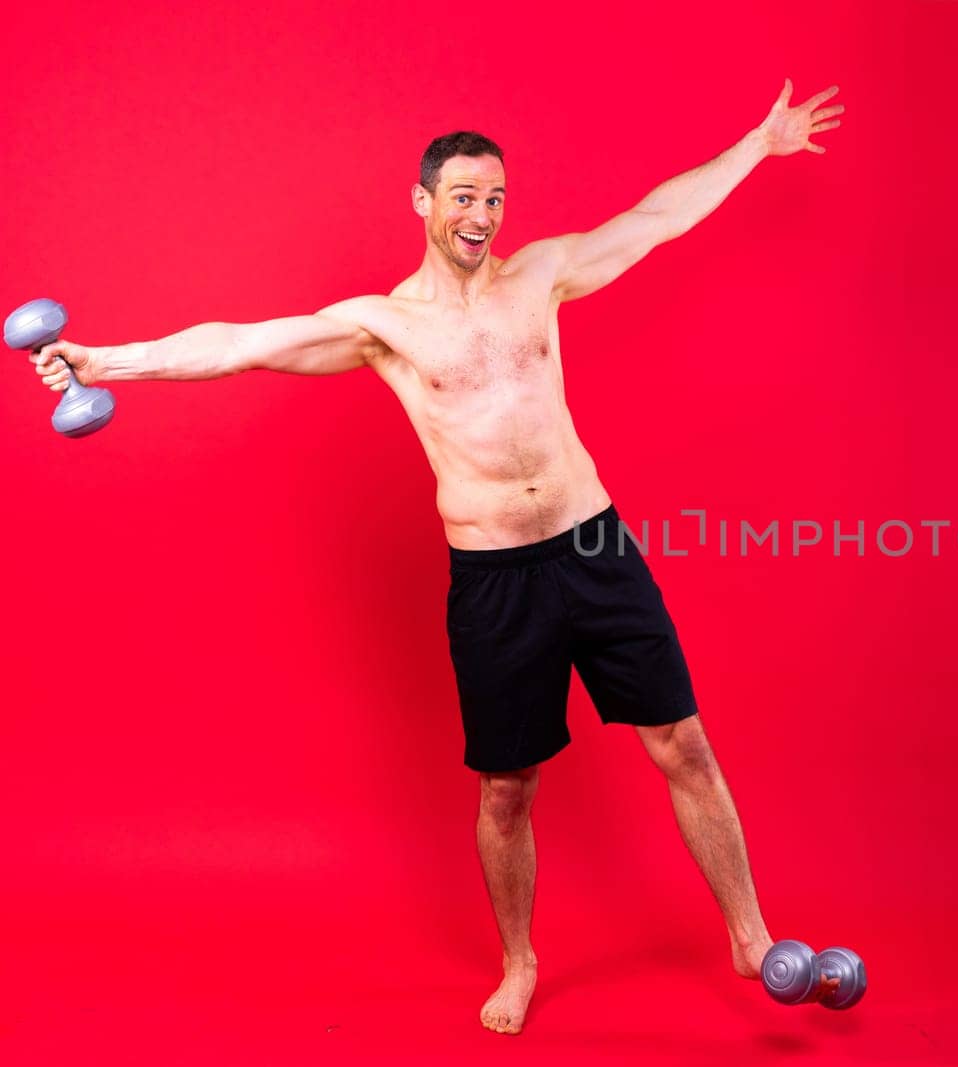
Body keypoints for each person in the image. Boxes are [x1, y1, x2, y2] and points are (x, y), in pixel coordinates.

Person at [32, 79, 845, 1036]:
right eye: (464, 195)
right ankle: (520, 959)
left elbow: (654, 218)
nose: (483, 213)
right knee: (507, 788)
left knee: (688, 747)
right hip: (495, 579)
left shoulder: (541, 275)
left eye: (495, 196)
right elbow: (241, 344)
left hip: (594, 547)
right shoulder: (386, 326)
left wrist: (758, 143)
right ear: (423, 202)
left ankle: (751, 937)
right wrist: (103, 361)